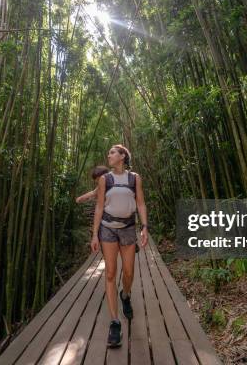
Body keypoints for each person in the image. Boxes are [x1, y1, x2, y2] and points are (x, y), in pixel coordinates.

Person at [90, 144, 148, 348]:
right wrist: (94, 234)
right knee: (110, 274)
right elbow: (99, 206)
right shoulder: (105, 179)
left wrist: (145, 227)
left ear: (122, 156)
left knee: (129, 272)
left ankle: (126, 295)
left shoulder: (135, 178)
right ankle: (115, 323)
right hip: (107, 229)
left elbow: (140, 203)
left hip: (128, 228)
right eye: (109, 153)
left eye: (112, 152)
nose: (109, 155)